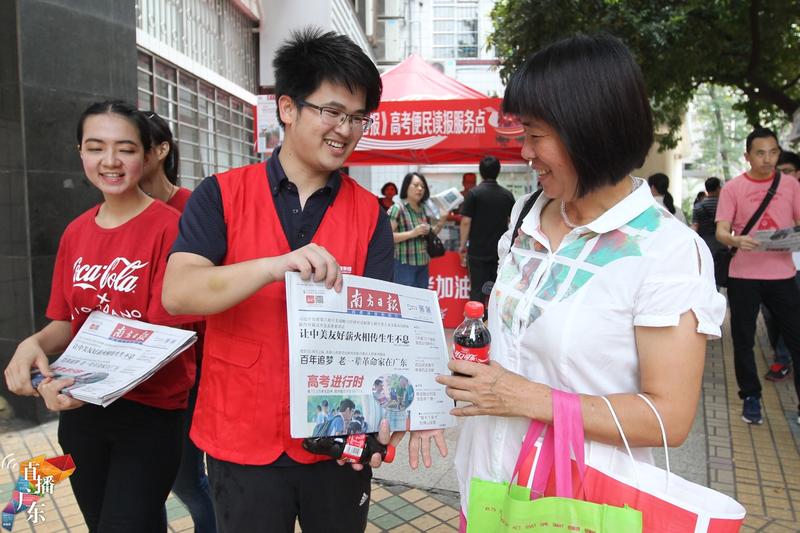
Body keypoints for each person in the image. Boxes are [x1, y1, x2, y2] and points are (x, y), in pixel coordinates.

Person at [435, 34, 725, 530]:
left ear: (589, 129)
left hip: (580, 506)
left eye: (535, 134)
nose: (523, 151)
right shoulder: (525, 220)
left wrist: (523, 396)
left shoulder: (666, 251)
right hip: (489, 490)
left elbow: (668, 419)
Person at [161, 28, 446, 533]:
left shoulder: (369, 214)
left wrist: (405, 409)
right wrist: (274, 265)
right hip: (242, 436)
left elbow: (384, 338)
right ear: (287, 108)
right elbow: (180, 293)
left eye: (358, 118)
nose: (346, 129)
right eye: (332, 111)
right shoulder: (221, 195)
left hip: (338, 443)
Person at [4, 101, 198, 532]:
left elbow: (164, 337)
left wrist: (68, 381)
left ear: (148, 155)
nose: (110, 161)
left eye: (124, 149)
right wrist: (31, 345)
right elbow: (66, 323)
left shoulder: (172, 229)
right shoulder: (76, 231)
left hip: (149, 415)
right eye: (95, 147)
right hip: (81, 415)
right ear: (80, 153)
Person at [140, 111, 217, 533]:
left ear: (159, 150)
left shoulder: (193, 209)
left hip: (194, 370)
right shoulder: (112, 215)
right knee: (153, 480)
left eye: (130, 147)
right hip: (135, 377)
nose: (117, 160)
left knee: (188, 478)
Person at [715, 127, 800, 425]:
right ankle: (750, 396)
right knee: (743, 340)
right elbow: (721, 231)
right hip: (744, 276)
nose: (767, 159)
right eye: (760, 153)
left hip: (783, 277)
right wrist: (735, 240)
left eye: (773, 152)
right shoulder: (733, 188)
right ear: (747, 156)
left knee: (796, 339)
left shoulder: (790, 185)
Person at [458, 155, 515, 307]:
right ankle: (494, 325)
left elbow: (465, 221)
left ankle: (477, 327)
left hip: (477, 250)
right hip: (499, 252)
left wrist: (462, 246)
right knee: (496, 289)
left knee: (477, 289)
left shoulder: (474, 193)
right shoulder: (507, 195)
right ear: (498, 171)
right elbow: (513, 222)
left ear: (481, 171)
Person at [388, 172, 445, 288]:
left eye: (422, 186)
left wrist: (441, 223)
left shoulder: (424, 209)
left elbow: (430, 235)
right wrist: (412, 233)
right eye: (416, 185)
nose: (420, 189)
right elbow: (388, 237)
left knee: (421, 302)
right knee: (405, 301)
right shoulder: (397, 208)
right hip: (404, 265)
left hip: (423, 265)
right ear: (406, 187)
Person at [692, 177, 723, 255]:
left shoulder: (698, 206)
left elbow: (695, 227)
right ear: (718, 188)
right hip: (722, 244)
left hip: (704, 244)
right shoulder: (724, 205)